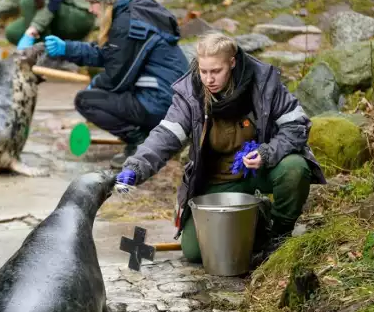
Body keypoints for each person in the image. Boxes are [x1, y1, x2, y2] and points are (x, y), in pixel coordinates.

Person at [115, 32, 327, 263]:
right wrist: (135, 168)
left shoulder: (263, 83)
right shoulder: (191, 94)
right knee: (196, 252)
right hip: (218, 181)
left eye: (216, 71)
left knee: (295, 167)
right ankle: (259, 216)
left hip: (260, 170)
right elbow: (165, 136)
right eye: (203, 71)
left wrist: (267, 152)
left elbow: (297, 126)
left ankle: (279, 234)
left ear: (232, 62)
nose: (209, 79)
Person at [42, 0, 189, 168]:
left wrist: (96, 85)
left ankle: (140, 143)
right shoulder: (129, 17)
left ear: (106, 1)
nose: (90, 9)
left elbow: (117, 79)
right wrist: (66, 48)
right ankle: (151, 136)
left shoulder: (127, 25)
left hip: (164, 104)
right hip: (170, 100)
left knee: (86, 101)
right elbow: (106, 53)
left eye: (92, 2)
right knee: (96, 95)